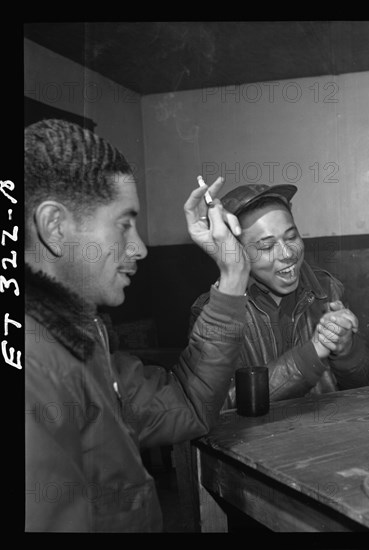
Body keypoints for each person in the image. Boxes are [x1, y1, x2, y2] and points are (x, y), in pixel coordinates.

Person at [24, 119, 250, 532]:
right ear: (56, 227)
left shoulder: (80, 336)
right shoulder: (33, 367)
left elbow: (186, 403)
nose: (140, 248)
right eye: (124, 223)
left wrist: (233, 272)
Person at [190, 184, 369, 409]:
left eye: (291, 237)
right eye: (267, 246)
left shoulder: (326, 289)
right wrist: (310, 355)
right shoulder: (216, 313)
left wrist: (347, 350)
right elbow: (217, 408)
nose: (288, 254)